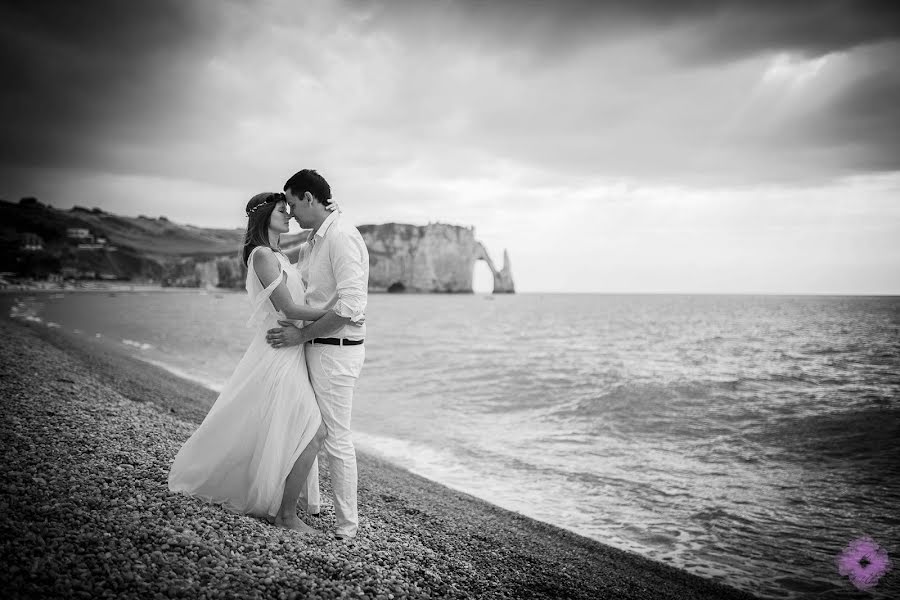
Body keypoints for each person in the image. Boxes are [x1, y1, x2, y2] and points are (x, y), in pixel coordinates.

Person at [167, 192, 361, 533]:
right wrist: (345, 315)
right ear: (264, 216)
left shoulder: (280, 254)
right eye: (282, 211)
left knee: (286, 428)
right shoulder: (261, 255)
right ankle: (285, 515)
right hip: (278, 351)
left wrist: (330, 215)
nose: (288, 216)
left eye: (289, 209)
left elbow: (311, 284)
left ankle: (280, 503)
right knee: (314, 431)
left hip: (290, 351)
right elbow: (290, 310)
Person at [265, 169, 369, 541]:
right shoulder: (317, 238)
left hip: (336, 351)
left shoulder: (340, 237)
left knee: (337, 437)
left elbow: (351, 308)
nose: (290, 212)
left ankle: (347, 529)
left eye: (293, 203)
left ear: (309, 198)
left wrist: (301, 335)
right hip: (316, 347)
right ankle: (310, 507)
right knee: (310, 426)